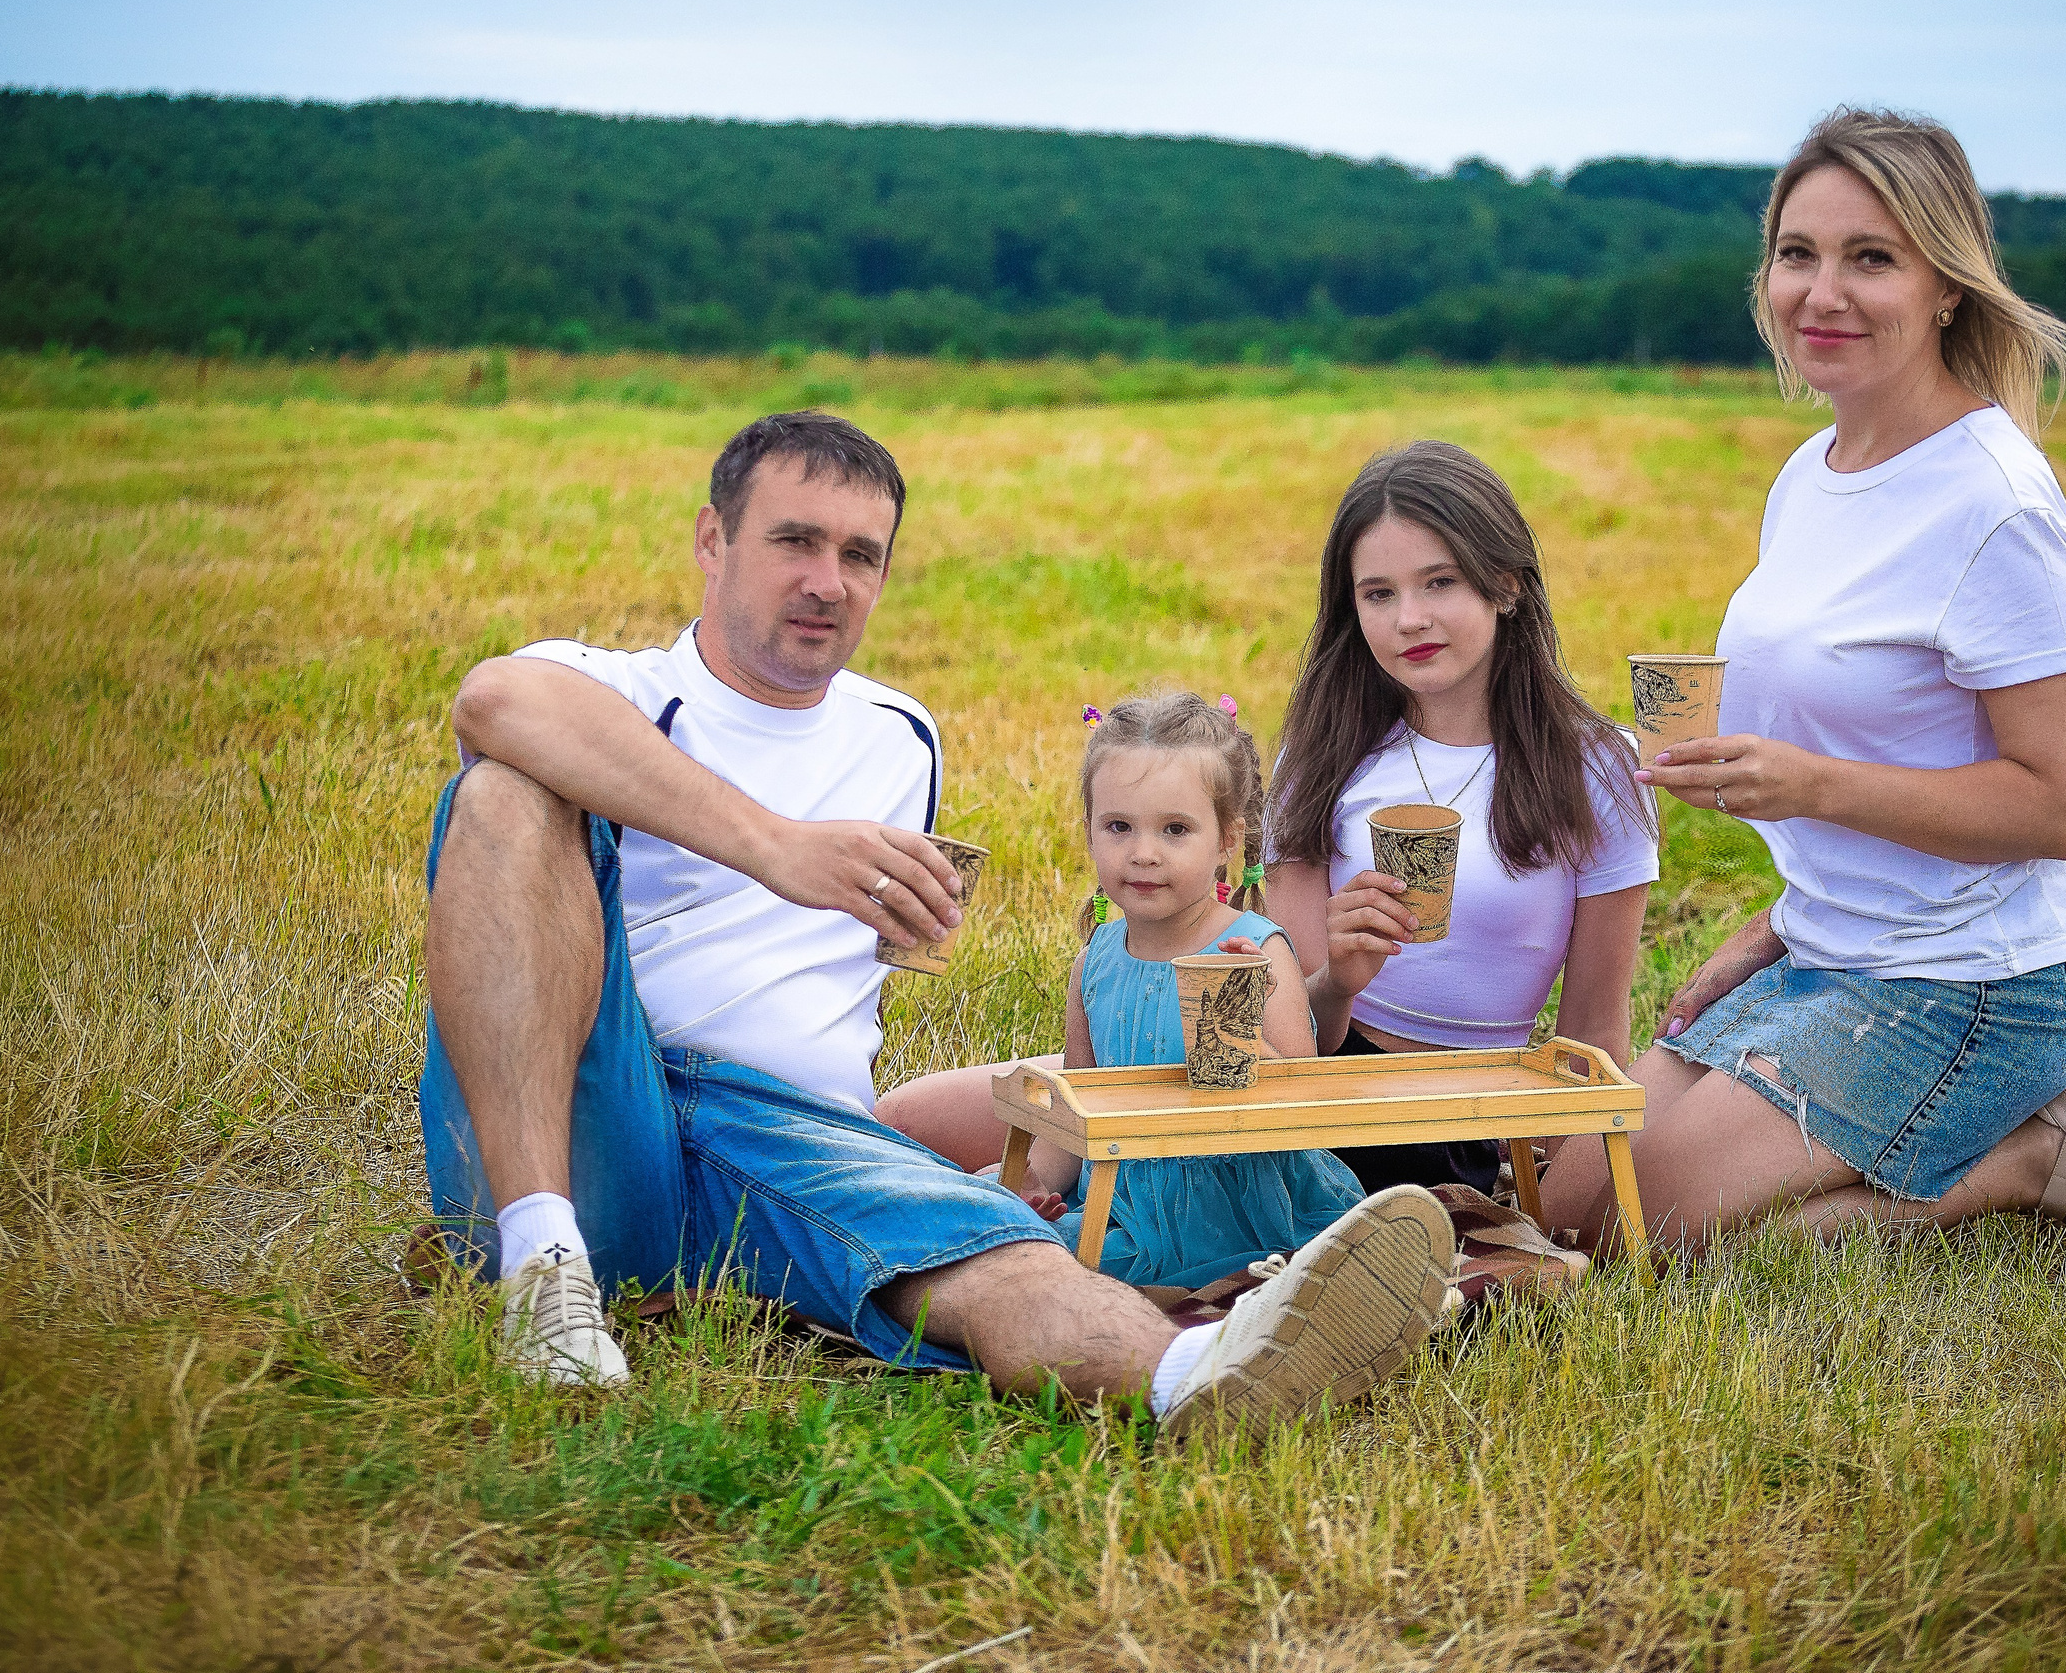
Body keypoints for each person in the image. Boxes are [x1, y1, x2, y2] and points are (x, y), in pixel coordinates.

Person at [418, 408, 1454, 1434]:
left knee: (993, 1246)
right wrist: (780, 847)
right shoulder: (617, 690)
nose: (828, 580)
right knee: (502, 795)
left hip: (792, 1141)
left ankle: (1202, 1375)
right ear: (711, 540)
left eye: (860, 555)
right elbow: (491, 702)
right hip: (600, 1120)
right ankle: (545, 1271)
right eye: (794, 541)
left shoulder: (898, 735)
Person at [1537, 107, 2066, 1294]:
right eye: (1797, 253)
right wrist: (1782, 922)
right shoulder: (1815, 471)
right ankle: (2025, 1129)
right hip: (1833, 948)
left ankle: (2046, 1156)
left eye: (1870, 258)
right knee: (1565, 1201)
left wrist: (1808, 787)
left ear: (1946, 285)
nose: (1821, 292)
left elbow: (2064, 807)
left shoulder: (1995, 504)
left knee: (1639, 1245)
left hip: (1978, 979)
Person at [1261, 441, 1660, 1194]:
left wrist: (1559, 1184)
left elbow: (1594, 1031)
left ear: (1506, 584)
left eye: (1439, 582)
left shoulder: (1598, 767)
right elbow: (1293, 1040)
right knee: (1042, 1104)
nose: (1410, 619)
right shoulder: (1322, 753)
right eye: (1377, 594)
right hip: (1321, 1096)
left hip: (1470, 1116)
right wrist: (1341, 976)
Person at [948, 691, 1368, 1287]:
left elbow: (1298, 1112)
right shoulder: (1096, 960)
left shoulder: (1254, 951)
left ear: (1226, 840)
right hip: (1131, 1206)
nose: (1143, 853)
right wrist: (1026, 1182)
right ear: (1089, 831)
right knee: (986, 1232)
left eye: (1175, 830)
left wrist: (1237, 1032)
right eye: (1118, 827)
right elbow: (1080, 1120)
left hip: (1245, 1207)